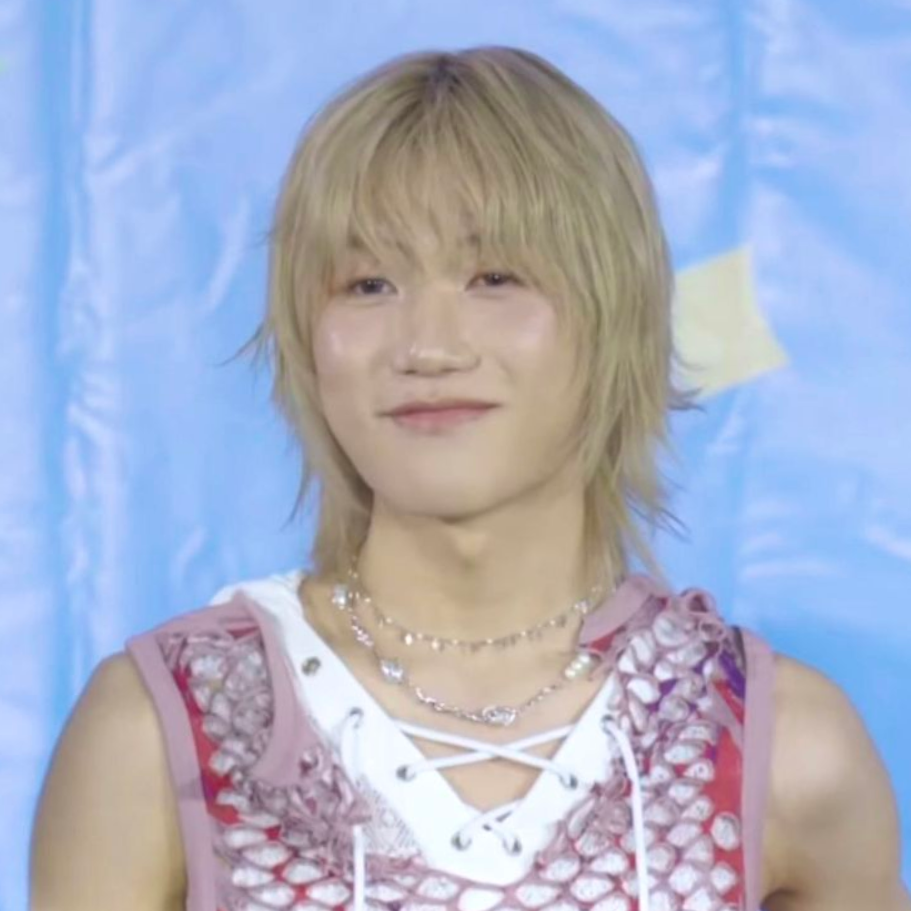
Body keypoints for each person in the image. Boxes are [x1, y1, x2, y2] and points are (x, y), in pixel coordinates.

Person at [30, 46, 909, 911]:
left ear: (616, 314)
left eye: (495, 277)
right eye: (368, 284)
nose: (428, 346)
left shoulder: (781, 745)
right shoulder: (158, 730)